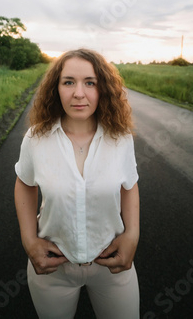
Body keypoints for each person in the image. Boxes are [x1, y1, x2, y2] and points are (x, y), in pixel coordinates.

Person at [14, 48, 140, 319]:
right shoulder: (36, 138)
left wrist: (132, 235)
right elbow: (25, 183)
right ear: (56, 88)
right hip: (52, 268)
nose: (79, 93)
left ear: (102, 88)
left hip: (112, 265)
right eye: (68, 82)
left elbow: (129, 185)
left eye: (90, 83)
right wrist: (28, 240)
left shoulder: (120, 138)